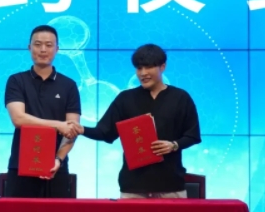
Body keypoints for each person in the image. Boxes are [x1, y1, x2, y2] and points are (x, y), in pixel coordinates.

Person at [71, 44, 201, 199]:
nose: (143, 73)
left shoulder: (180, 98)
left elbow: (192, 135)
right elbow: (105, 132)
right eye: (139, 68)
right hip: (133, 186)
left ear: (163, 67)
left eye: (149, 67)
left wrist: (174, 145)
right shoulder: (125, 99)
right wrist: (82, 130)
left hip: (170, 184)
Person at [3, 25, 81, 198]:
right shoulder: (16, 81)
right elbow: (18, 119)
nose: (43, 49)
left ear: (57, 49)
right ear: (29, 47)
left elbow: (72, 129)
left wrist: (58, 159)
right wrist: (58, 125)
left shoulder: (69, 86)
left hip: (56, 167)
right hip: (20, 165)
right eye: (38, 44)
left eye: (49, 45)